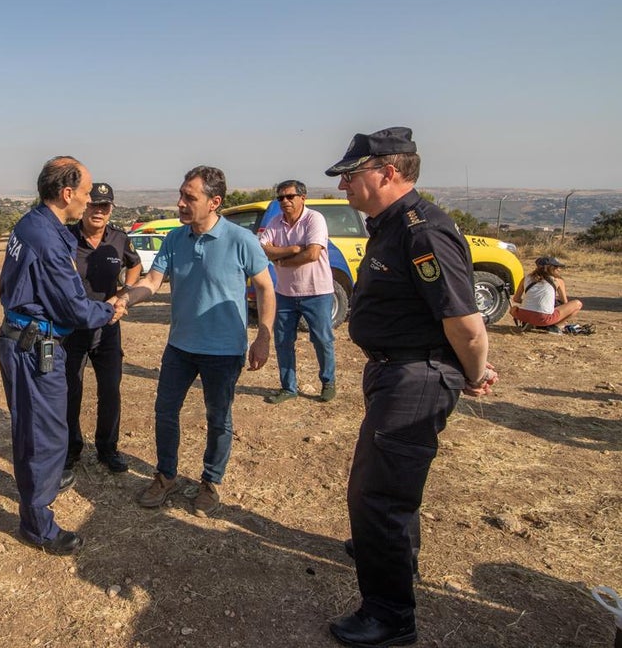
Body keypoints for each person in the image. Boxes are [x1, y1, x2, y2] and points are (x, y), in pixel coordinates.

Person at [324, 128, 497, 648]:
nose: (344, 185)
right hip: (396, 371)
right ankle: (394, 556)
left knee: (378, 495)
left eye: (352, 175)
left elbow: (464, 323)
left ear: (388, 172)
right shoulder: (393, 225)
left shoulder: (423, 232)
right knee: (390, 485)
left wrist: (475, 372)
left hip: (415, 376)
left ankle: (389, 617)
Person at [118, 166, 275, 517]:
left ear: (214, 202)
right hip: (180, 347)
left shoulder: (241, 240)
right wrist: (126, 298)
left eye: (189, 197)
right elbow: (153, 281)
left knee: (218, 418)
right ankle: (166, 476)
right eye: (181, 194)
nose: (180, 202)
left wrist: (264, 336)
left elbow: (266, 288)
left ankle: (210, 482)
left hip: (224, 351)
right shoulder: (175, 239)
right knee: (165, 411)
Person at [0, 157, 126, 556]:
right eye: (86, 193)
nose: (89, 201)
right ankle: (38, 526)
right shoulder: (49, 240)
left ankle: (44, 485)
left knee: (41, 428)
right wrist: (110, 309)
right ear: (67, 193)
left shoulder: (34, 223)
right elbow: (74, 308)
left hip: (28, 339)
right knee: (43, 436)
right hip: (33, 345)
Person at [63, 182, 143, 481]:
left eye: (105, 206)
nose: (99, 211)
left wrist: (124, 293)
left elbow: (135, 265)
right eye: (94, 204)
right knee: (70, 390)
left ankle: (107, 448)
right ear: (85, 206)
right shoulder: (66, 237)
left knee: (110, 390)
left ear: (111, 210)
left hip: (108, 328)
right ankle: (70, 449)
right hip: (72, 329)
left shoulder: (119, 239)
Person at [258, 179, 338, 404]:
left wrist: (281, 259)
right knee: (283, 341)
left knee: (322, 339)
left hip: (317, 291)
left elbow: (312, 254)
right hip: (285, 293)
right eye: (280, 197)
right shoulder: (275, 221)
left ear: (303, 197)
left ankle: (328, 382)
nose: (284, 201)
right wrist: (293, 249)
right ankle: (288, 387)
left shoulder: (314, 219)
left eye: (289, 196)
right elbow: (263, 249)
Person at [510, 256, 584, 333]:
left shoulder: (526, 278)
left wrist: (532, 302)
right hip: (543, 318)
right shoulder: (558, 280)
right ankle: (556, 327)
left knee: (514, 308)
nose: (559, 269)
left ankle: (528, 323)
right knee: (577, 304)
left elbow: (516, 299)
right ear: (550, 268)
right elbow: (564, 302)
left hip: (523, 315)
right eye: (556, 267)